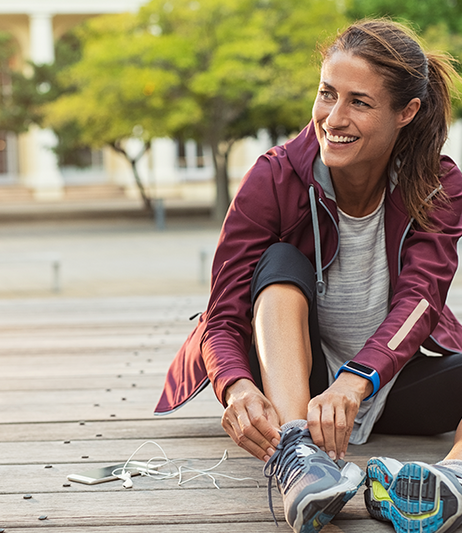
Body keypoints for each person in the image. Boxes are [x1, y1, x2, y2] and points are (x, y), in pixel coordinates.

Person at [155, 19, 462, 533]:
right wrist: (236, 388)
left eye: (359, 102)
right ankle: (301, 459)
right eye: (327, 94)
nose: (333, 118)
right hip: (301, 388)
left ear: (405, 112)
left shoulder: (439, 183)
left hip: (388, 384)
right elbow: (223, 314)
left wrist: (358, 381)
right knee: (278, 263)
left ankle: (451, 480)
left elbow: (421, 300)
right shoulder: (274, 177)